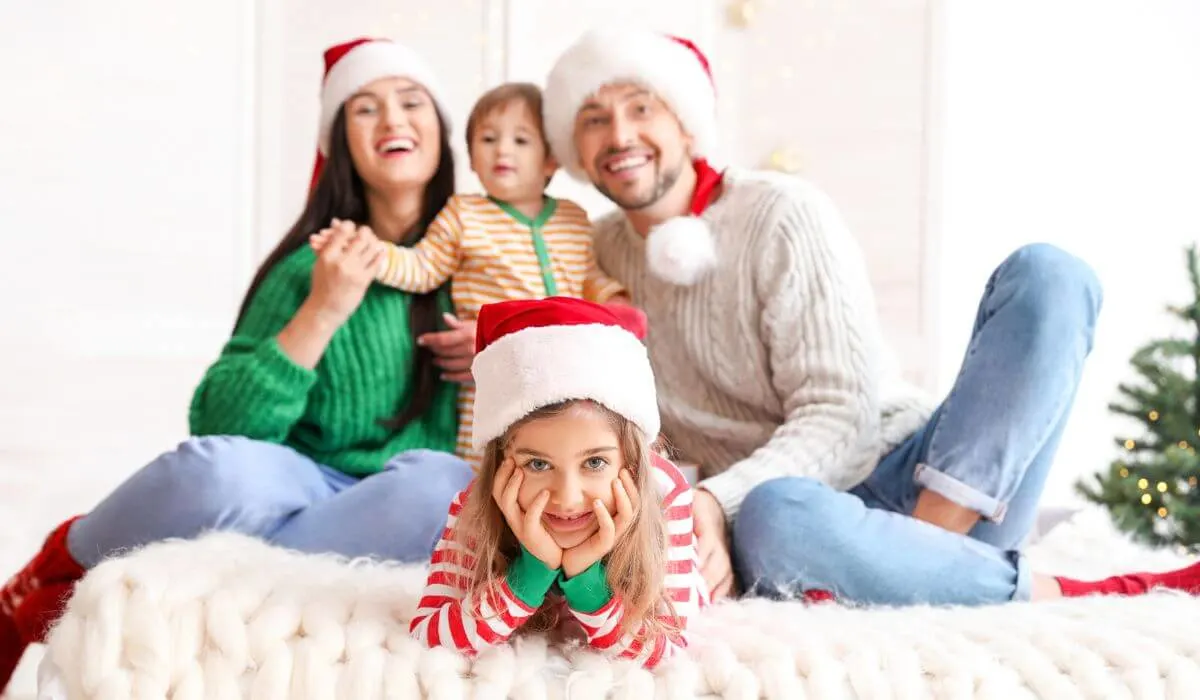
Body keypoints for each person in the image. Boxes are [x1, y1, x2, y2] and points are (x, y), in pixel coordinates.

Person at [540, 27, 1200, 606]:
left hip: (924, 476)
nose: (620, 135)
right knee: (777, 514)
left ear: (685, 123)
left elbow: (843, 418)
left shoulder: (779, 214)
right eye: (594, 118)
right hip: (804, 523)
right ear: (574, 145)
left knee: (1051, 275)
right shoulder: (590, 256)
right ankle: (959, 582)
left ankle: (939, 559)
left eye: (640, 108)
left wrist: (712, 503)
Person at [0, 37, 475, 688]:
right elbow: (221, 421)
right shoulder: (311, 263)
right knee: (225, 472)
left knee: (442, 487)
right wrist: (324, 310)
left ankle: (223, 573)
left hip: (391, 506)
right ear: (339, 145)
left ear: (443, 131)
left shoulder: (491, 265)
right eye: (364, 109)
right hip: (297, 481)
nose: (392, 120)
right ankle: (47, 579)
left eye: (411, 101)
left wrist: (505, 353)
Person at [310, 82, 630, 463]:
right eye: (488, 139)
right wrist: (371, 252)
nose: (502, 150)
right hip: (487, 375)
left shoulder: (573, 219)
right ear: (473, 160)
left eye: (521, 141)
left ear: (550, 160)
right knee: (488, 459)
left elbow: (587, 277)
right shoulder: (463, 215)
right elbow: (422, 267)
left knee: (566, 451)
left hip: (563, 373)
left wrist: (614, 300)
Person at [409, 297, 707, 668]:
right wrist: (529, 573)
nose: (567, 499)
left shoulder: (664, 494)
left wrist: (587, 581)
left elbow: (668, 652)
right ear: (502, 462)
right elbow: (429, 636)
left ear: (631, 462)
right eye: (538, 464)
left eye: (595, 462)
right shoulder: (478, 503)